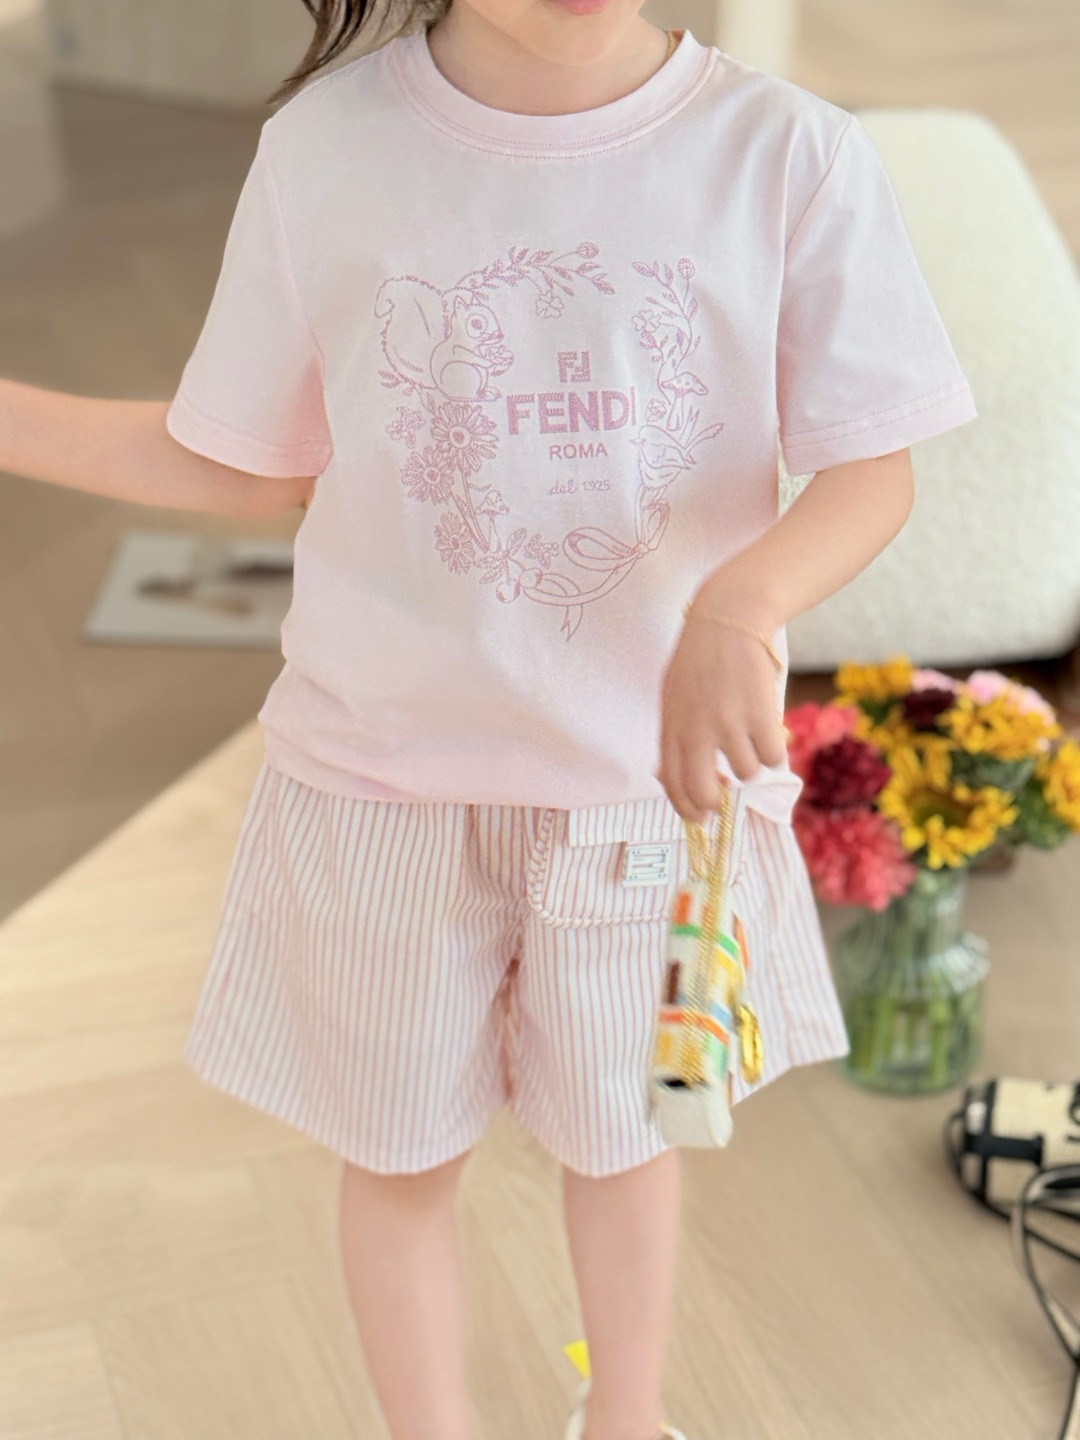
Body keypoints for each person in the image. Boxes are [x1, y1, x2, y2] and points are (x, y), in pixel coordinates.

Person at [0, 0, 979, 1434]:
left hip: (644, 798)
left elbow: (871, 467)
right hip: (379, 786)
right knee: (398, 1156)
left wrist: (740, 606)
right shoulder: (328, 146)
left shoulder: (785, 152)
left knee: (629, 1140)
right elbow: (248, 459)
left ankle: (625, 1421)